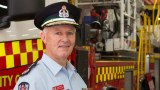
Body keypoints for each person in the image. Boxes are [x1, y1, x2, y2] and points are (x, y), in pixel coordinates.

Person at [14, 2, 87, 90]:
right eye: (58, 33)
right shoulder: (33, 81)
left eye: (70, 33)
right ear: (44, 37)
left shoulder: (75, 75)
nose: (65, 39)